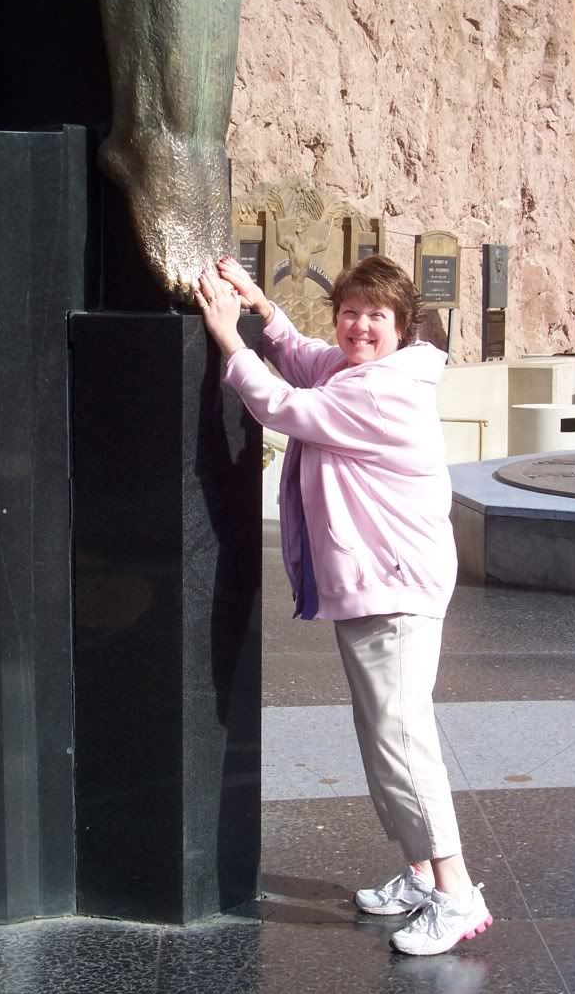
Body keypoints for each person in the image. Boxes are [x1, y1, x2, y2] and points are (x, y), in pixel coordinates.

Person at [194, 254, 492, 956]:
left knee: (402, 738)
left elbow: (286, 406)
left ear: (402, 326)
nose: (359, 327)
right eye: (351, 311)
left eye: (375, 317)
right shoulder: (368, 368)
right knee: (380, 733)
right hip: (377, 580)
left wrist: (228, 339)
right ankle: (421, 872)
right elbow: (308, 360)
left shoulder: (384, 392)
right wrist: (263, 309)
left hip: (396, 585)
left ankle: (456, 891)